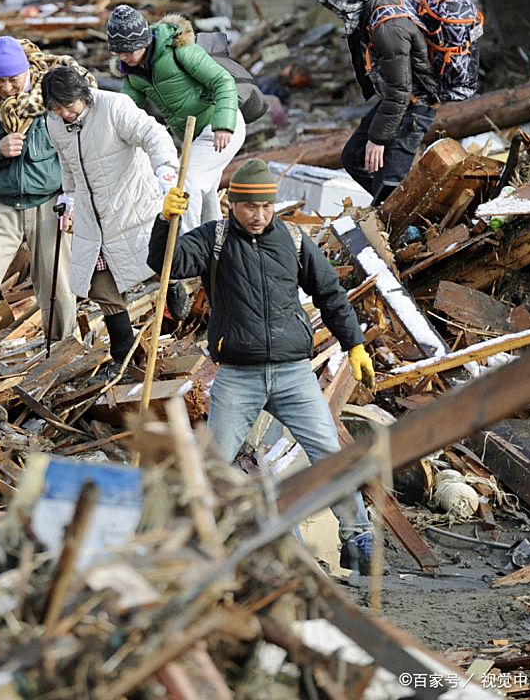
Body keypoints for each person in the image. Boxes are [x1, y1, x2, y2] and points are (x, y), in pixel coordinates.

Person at [149, 158, 379, 574]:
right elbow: (169, 264)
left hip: (293, 373)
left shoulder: (292, 239)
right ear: (231, 204)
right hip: (238, 376)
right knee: (216, 462)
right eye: (249, 208)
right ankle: (204, 541)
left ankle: (358, 537)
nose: (258, 216)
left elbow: (329, 293)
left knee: (329, 453)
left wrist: (355, 344)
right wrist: (167, 222)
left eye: (266, 207)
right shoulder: (213, 239)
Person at [107, 5, 245, 319]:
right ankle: (220, 259)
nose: (128, 56)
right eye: (121, 52)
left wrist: (223, 122)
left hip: (222, 125)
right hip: (195, 137)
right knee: (206, 196)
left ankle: (187, 260)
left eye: (133, 49)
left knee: (189, 185)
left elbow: (223, 82)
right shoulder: (133, 76)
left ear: (146, 40)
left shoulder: (181, 51)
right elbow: (130, 119)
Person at [0, 36, 86, 348]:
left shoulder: (52, 95)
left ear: (27, 73)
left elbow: (78, 148)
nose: (7, 89)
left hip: (50, 204)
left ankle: (63, 352)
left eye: (14, 80)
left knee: (58, 285)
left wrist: (72, 197)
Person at [43, 66, 179, 371]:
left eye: (70, 106)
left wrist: (166, 172)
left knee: (155, 262)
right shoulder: (54, 123)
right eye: (56, 108)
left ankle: (173, 288)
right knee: (101, 285)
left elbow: (153, 134)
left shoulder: (114, 107)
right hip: (93, 217)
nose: (64, 113)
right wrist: (69, 198)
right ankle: (123, 355)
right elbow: (67, 164)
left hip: (131, 204)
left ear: (84, 95)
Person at [310, 0, 440, 203]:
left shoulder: (387, 28)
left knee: (389, 184)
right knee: (354, 156)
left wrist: (378, 139)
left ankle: (404, 218)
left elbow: (401, 91)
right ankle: (392, 207)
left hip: (414, 104)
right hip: (399, 99)